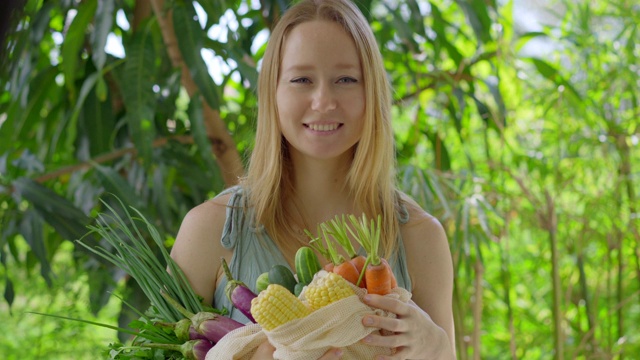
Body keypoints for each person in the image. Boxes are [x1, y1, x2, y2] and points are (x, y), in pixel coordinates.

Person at [170, 0, 456, 358]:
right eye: (302, 79)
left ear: (373, 94)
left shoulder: (419, 238)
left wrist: (439, 348)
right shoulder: (209, 231)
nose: (323, 101)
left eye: (346, 79)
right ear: (272, 93)